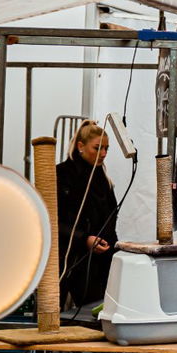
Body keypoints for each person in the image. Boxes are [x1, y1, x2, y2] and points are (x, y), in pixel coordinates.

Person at [56, 121, 119, 312]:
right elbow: (52, 221)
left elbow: (110, 218)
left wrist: (112, 247)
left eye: (106, 148)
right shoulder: (62, 174)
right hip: (70, 257)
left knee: (98, 310)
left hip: (101, 258)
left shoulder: (103, 178)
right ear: (80, 146)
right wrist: (84, 239)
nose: (103, 154)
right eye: (98, 148)